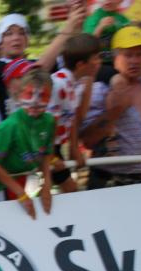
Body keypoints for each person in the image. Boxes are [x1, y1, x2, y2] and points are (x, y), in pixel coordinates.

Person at [81, 26, 141, 188]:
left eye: (139, 54)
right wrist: (114, 112)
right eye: (128, 55)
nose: (134, 60)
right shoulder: (101, 89)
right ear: (115, 57)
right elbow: (87, 140)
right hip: (112, 182)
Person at [0, 9, 86, 119]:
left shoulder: (35, 62)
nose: (16, 38)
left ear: (27, 40)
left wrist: (77, 23)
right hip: (17, 133)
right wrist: (67, 30)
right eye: (9, 34)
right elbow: (35, 74)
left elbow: (72, 63)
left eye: (22, 33)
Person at [0, 68, 55, 219]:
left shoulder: (49, 121)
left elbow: (46, 153)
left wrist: (47, 184)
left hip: (27, 180)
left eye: (42, 96)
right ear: (20, 95)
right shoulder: (9, 126)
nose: (35, 102)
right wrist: (21, 194)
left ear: (50, 98)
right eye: (30, 94)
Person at [47, 33, 102, 193]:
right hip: (44, 147)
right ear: (81, 65)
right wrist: (50, 156)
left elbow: (73, 118)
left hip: (53, 146)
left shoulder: (74, 84)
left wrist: (74, 148)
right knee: (70, 190)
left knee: (70, 191)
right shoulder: (59, 84)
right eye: (96, 58)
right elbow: (46, 122)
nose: (99, 62)